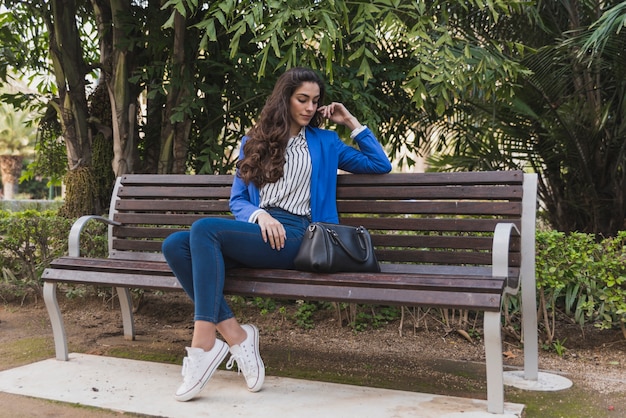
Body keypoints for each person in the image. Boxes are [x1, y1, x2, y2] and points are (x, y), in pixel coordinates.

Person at [161, 67, 392, 402]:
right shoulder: (253, 143)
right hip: (259, 230)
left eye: (315, 101)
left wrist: (351, 123)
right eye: (302, 99)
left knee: (204, 229)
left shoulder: (326, 143)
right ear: (285, 99)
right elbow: (238, 201)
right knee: (175, 245)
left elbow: (379, 165)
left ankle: (203, 345)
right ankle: (237, 336)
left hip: (299, 236)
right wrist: (260, 214)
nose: (310, 107)